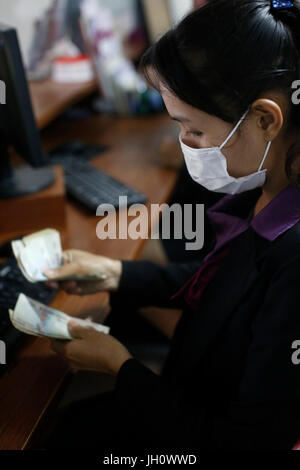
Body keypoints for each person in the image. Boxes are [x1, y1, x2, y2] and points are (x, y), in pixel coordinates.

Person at [43, 0, 300, 450]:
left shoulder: (293, 257)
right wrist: (115, 273)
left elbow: (246, 442)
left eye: (194, 130)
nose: (183, 144)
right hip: (186, 390)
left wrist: (121, 369)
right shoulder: (265, 187)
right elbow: (225, 284)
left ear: (265, 120)